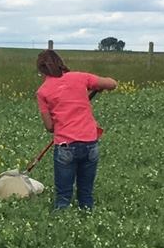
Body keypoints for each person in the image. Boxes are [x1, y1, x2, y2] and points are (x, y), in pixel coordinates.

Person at [36, 50, 117, 211]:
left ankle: (61, 227)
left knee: (63, 197)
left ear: (41, 70)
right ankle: (87, 219)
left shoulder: (42, 91)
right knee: (86, 195)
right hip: (90, 144)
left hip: (65, 146)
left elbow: (50, 127)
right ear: (61, 63)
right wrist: (98, 86)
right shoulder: (80, 77)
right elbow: (112, 84)